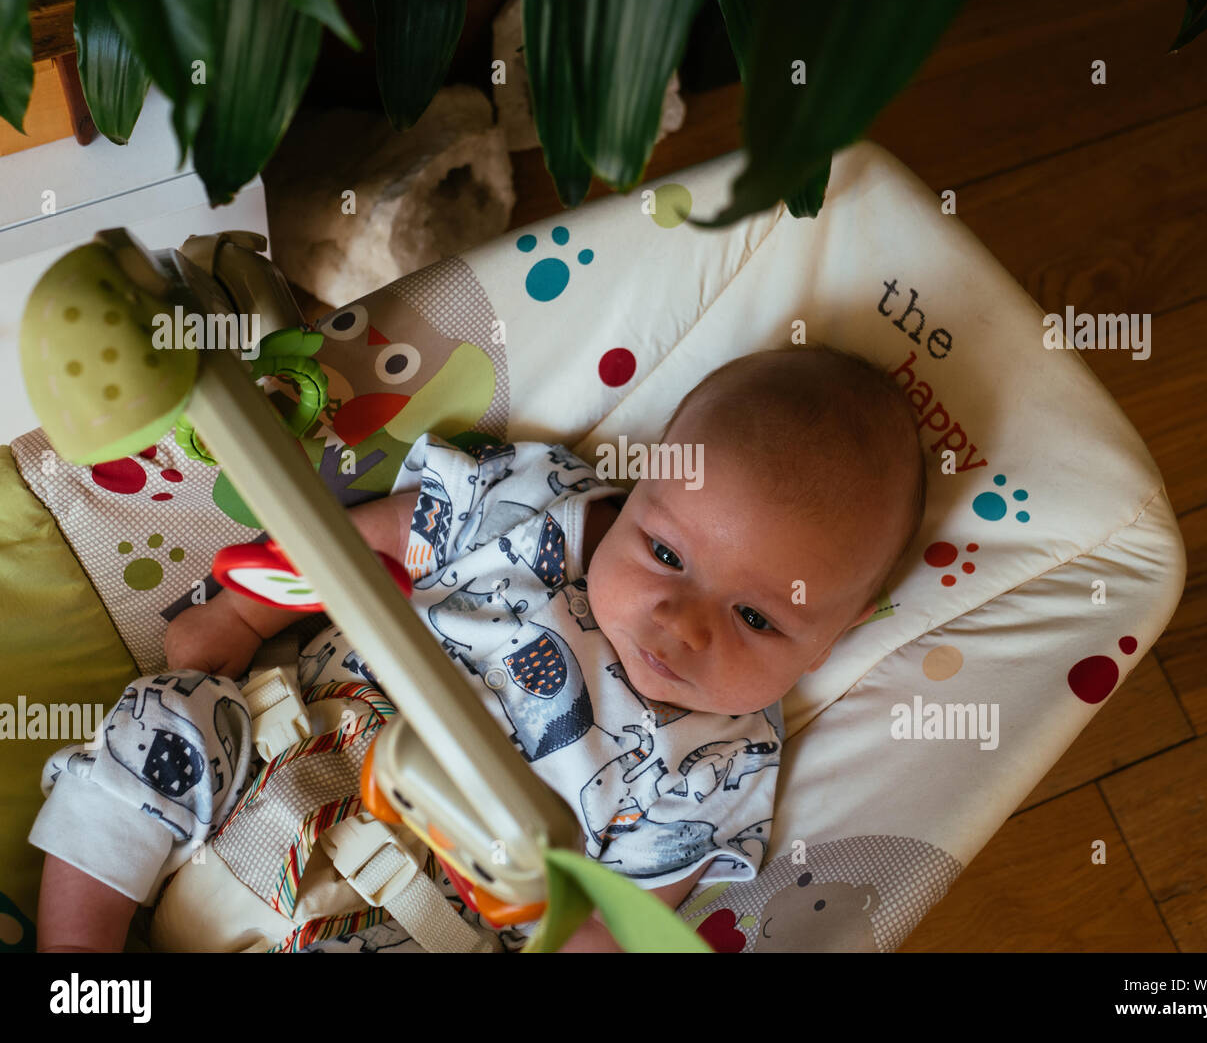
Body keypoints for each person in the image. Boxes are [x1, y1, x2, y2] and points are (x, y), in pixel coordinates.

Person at [31, 343, 927, 953]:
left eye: (759, 619)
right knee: (165, 717)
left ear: (828, 643)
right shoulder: (534, 503)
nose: (683, 623)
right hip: (272, 751)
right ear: (646, 480)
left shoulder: (717, 770)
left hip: (408, 913)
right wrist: (240, 615)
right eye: (665, 553)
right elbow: (356, 547)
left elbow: (607, 927)